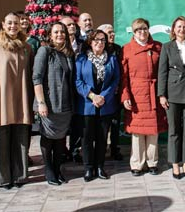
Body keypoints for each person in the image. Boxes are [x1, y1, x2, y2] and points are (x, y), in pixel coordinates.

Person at [0, 12, 34, 189]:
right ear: (3, 24)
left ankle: (19, 176)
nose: (13, 26)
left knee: (20, 136)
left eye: (16, 23)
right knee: (0, 139)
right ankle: (0, 178)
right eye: (9, 23)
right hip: (0, 99)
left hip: (21, 98)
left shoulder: (26, 48)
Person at [121, 18, 167, 176]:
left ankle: (152, 162)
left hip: (154, 93)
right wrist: (125, 95)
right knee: (138, 132)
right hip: (136, 95)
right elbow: (124, 76)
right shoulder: (126, 49)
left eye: (145, 29)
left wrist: (162, 93)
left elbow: (163, 72)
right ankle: (137, 164)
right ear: (133, 32)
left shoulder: (158, 47)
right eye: (138, 30)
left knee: (153, 131)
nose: (142, 32)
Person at [158, 16, 185, 179]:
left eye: (184, 27)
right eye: (179, 27)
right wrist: (162, 94)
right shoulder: (167, 47)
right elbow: (162, 72)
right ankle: (175, 164)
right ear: (173, 29)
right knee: (174, 131)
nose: (182, 29)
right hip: (172, 93)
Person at [32, 22, 76, 186]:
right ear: (50, 35)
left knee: (60, 139)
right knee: (48, 137)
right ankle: (49, 170)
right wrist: (41, 102)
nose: (60, 35)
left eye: (62, 32)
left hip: (65, 104)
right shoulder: (45, 51)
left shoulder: (67, 53)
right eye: (56, 32)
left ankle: (58, 169)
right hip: (49, 103)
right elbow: (36, 78)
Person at [75, 30, 120, 181]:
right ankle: (88, 168)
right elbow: (78, 81)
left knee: (102, 138)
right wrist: (92, 95)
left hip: (105, 105)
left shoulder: (111, 59)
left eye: (102, 40)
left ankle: (100, 167)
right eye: (96, 40)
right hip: (87, 105)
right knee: (87, 139)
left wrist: (103, 97)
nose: (99, 43)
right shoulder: (82, 59)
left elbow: (115, 80)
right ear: (90, 42)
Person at [60, 16, 84, 163]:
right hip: (63, 89)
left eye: (73, 24)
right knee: (62, 122)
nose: (72, 26)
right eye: (68, 25)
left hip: (79, 91)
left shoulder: (83, 45)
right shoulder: (58, 46)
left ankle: (75, 150)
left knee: (77, 123)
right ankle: (62, 151)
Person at [99, 24, 123, 161]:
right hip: (100, 94)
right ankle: (101, 149)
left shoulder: (118, 49)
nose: (112, 34)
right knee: (102, 125)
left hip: (115, 92)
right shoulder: (96, 49)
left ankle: (114, 148)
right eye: (109, 32)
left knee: (115, 123)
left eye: (113, 32)